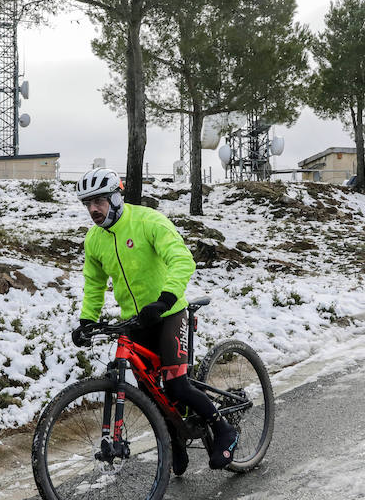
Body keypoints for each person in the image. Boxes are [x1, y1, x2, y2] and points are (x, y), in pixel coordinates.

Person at [70, 167, 239, 470]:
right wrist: (87, 321)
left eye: (99, 201)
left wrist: (165, 300)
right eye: (88, 204)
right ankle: (175, 439)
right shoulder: (95, 240)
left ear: (115, 198)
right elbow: (94, 284)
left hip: (169, 312)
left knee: (175, 385)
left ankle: (224, 428)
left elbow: (181, 259)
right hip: (135, 320)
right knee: (150, 392)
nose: (93, 209)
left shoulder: (148, 221)